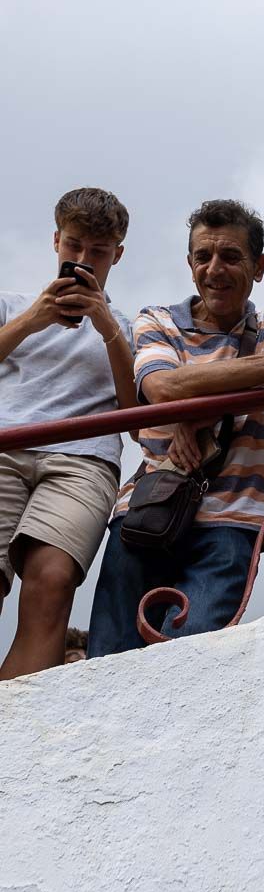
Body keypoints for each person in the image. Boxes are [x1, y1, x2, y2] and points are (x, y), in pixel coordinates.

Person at [88, 199, 264, 656]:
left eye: (230, 256)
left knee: (191, 659)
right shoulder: (157, 318)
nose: (214, 269)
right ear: (189, 265)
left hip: (235, 522)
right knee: (108, 658)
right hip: (146, 515)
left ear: (259, 267)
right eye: (203, 257)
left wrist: (195, 410)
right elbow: (162, 387)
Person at [0, 187, 134, 680]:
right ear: (56, 240)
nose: (82, 260)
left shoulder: (131, 325)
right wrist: (33, 319)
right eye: (74, 246)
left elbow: (138, 416)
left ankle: (13, 732)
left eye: (97, 251)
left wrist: (105, 326)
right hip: (5, 447)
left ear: (116, 254)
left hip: (84, 462)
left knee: (52, 582)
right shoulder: (10, 304)